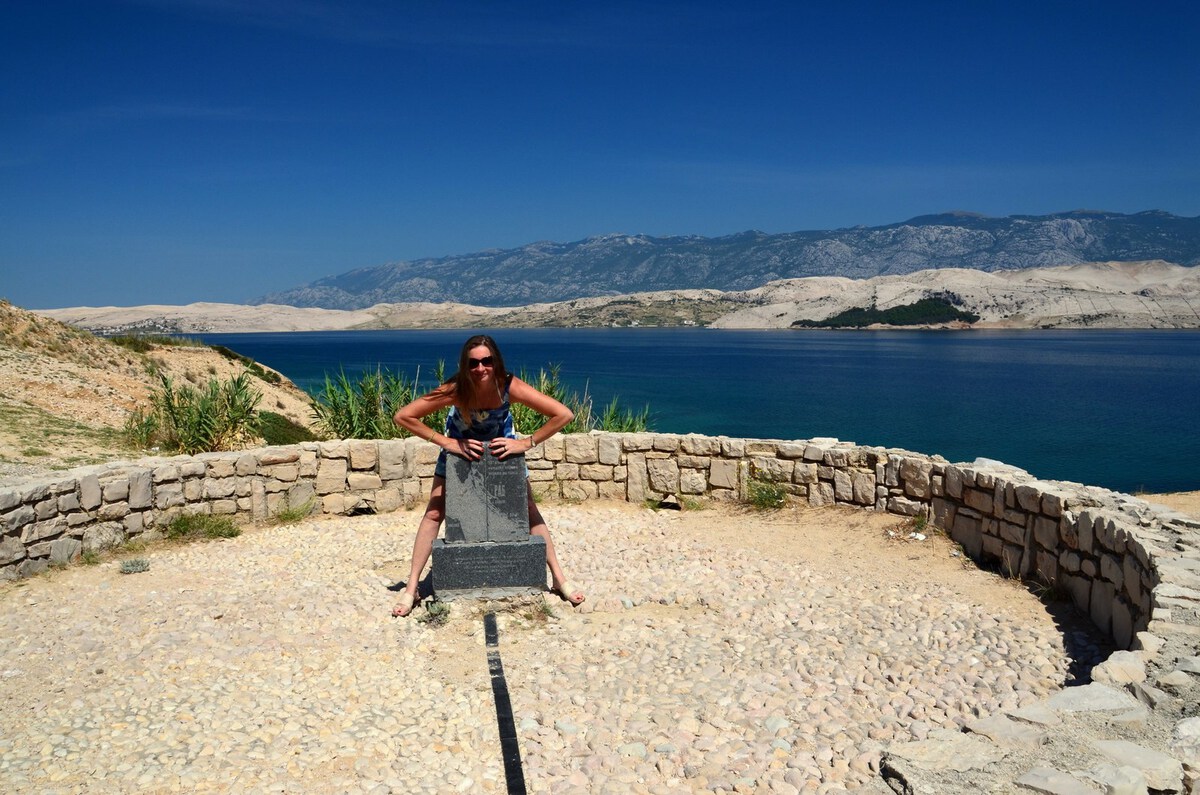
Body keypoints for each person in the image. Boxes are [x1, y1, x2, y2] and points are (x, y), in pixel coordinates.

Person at [390, 334, 586, 617]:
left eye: (486, 361)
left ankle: (558, 577)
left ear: (496, 362)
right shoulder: (456, 389)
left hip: (501, 452)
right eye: (473, 363)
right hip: (460, 449)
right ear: (465, 365)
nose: (480, 368)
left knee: (529, 509)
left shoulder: (508, 386)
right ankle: (412, 588)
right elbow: (404, 416)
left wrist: (526, 442)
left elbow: (563, 414)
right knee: (434, 512)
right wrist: (447, 442)